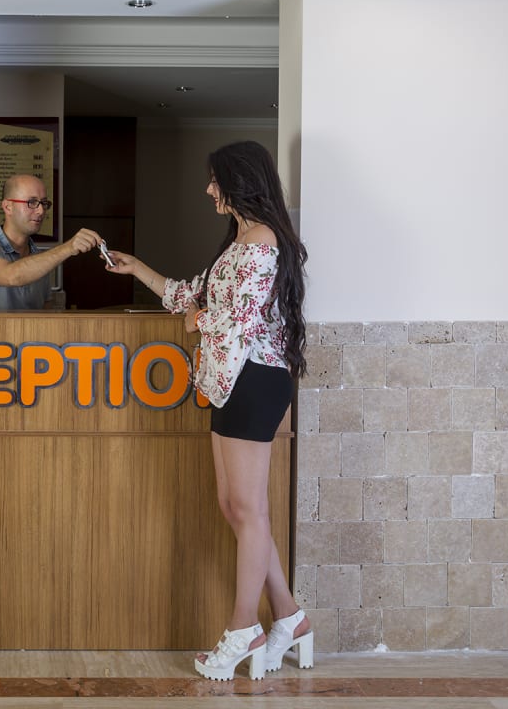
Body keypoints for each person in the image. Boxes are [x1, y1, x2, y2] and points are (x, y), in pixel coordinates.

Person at [104, 141, 313, 680]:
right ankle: (290, 616)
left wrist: (199, 321)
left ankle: (244, 628)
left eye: (214, 180)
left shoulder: (262, 242)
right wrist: (137, 269)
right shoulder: (240, 241)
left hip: (253, 380)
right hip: (229, 383)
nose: (208, 190)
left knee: (248, 510)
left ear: (239, 181)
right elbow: (188, 294)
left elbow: (235, 322)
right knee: (235, 506)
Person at [0, 174, 105, 310]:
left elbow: (45, 311)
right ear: (8, 207)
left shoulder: (39, 259)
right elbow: (12, 276)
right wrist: (68, 247)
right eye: (32, 202)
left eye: (44, 203)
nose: (41, 211)